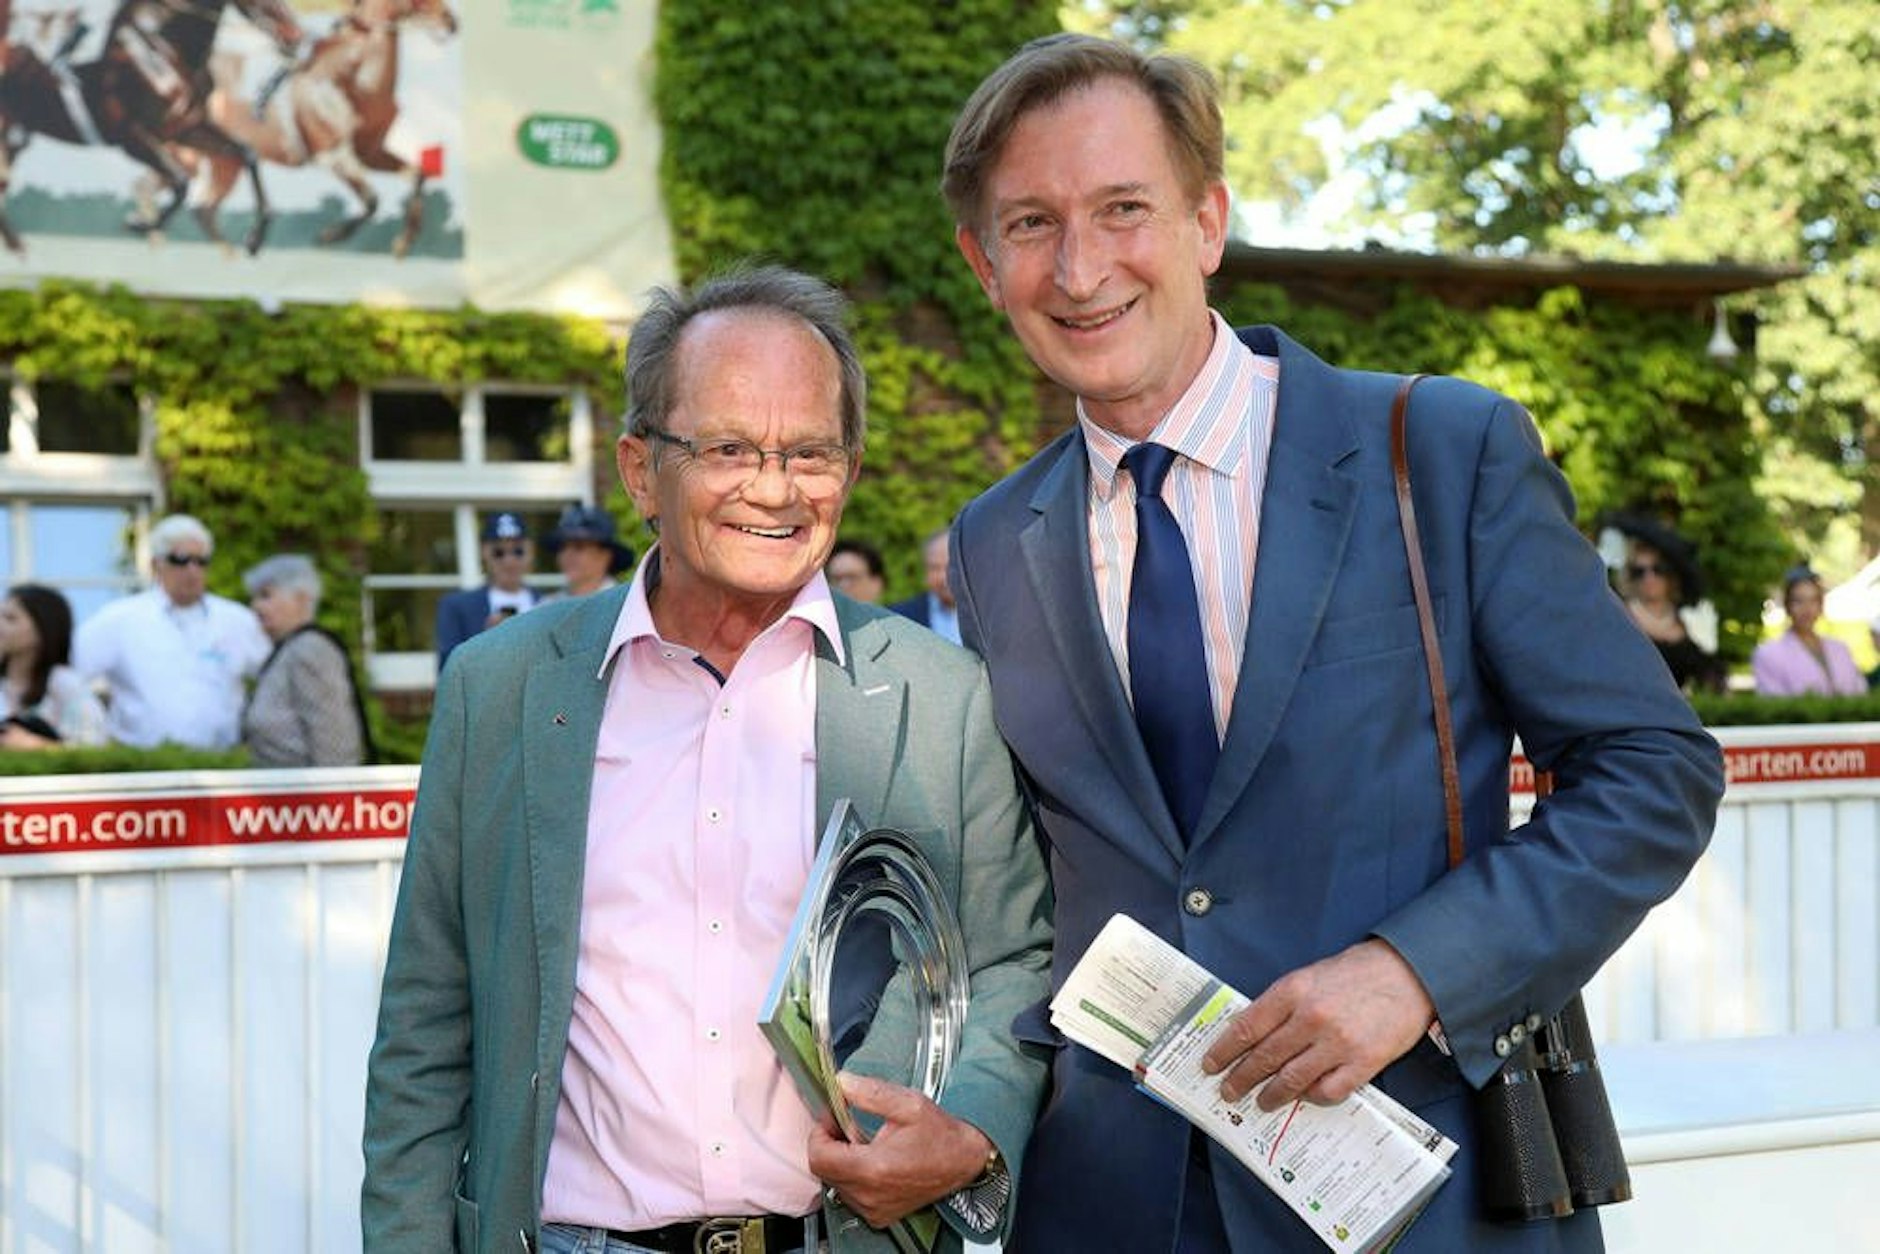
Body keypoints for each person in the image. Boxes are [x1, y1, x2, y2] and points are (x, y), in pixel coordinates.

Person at [940, 33, 1723, 1253]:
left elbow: (1653, 770)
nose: (1080, 267)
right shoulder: (992, 541)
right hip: (1107, 1205)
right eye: (1030, 224)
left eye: (1122, 209)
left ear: (1207, 222)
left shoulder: (1439, 453)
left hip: (1417, 1197)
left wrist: (1414, 974)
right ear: (982, 264)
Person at [362, 265, 1052, 1254]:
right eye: (728, 447)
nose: (772, 489)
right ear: (641, 469)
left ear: (848, 473)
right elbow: (426, 1022)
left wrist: (972, 1128)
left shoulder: (942, 697)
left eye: (810, 452)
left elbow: (1009, 958)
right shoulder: (502, 690)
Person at [73, 513, 272, 750]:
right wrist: (90, 728)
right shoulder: (119, 619)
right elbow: (69, 675)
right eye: (180, 560)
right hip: (143, 766)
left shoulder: (238, 620)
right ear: (156, 564)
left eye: (201, 561)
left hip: (221, 768)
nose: (192, 570)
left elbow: (274, 678)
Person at [241, 554, 370, 767]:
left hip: (307, 796)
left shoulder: (310, 650)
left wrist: (332, 797)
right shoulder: (286, 649)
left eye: (266, 595)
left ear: (301, 599)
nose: (255, 606)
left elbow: (335, 744)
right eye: (254, 597)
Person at [1612, 527, 1725, 694]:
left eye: (1658, 569)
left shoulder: (1692, 617)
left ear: (1671, 574)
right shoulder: (1620, 615)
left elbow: (1711, 676)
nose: (1649, 578)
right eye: (1639, 572)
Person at [1, 584, 107, 748]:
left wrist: (36, 745)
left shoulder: (65, 685)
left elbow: (92, 751)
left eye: (11, 619)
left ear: (43, 628)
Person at [434, 510, 542, 670]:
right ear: (484, 552)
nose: (509, 561)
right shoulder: (456, 607)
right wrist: (484, 643)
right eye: (499, 552)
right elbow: (447, 672)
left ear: (530, 552)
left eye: (518, 551)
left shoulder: (547, 603)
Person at [1751, 565, 1865, 696]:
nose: (1807, 609)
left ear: (1821, 605)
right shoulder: (1768, 654)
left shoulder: (1840, 649)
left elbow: (1859, 692)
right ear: (1787, 605)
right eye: (1799, 601)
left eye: (1813, 600)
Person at [545, 503, 636, 600]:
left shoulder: (626, 603)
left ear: (605, 556)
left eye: (579, 547)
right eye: (561, 547)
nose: (567, 554)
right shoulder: (549, 604)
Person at [886, 529, 961, 643]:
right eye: (934, 567)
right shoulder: (899, 617)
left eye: (950, 566)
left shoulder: (992, 616)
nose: (943, 577)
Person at [826, 537, 887, 604]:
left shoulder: (894, 613)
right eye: (836, 579)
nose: (843, 585)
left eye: (852, 577)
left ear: (876, 583)